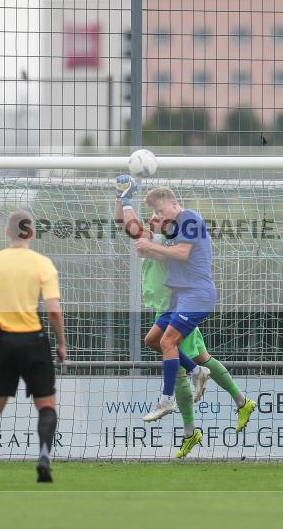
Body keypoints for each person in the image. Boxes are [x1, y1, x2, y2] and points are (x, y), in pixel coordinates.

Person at [115, 176, 255, 458]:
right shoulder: (160, 236)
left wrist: (147, 242)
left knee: (175, 355)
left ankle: (187, 425)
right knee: (190, 355)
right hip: (174, 302)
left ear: (173, 207)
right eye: (153, 214)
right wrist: (124, 198)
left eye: (159, 213)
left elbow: (170, 247)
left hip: (181, 301)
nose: (155, 217)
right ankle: (239, 400)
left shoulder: (170, 234)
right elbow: (127, 225)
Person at [0, 211, 66, 484]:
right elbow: (54, 311)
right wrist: (61, 343)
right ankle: (44, 456)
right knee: (46, 405)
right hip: (34, 340)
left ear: (7, 232)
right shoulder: (42, 264)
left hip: (3, 342)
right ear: (31, 232)